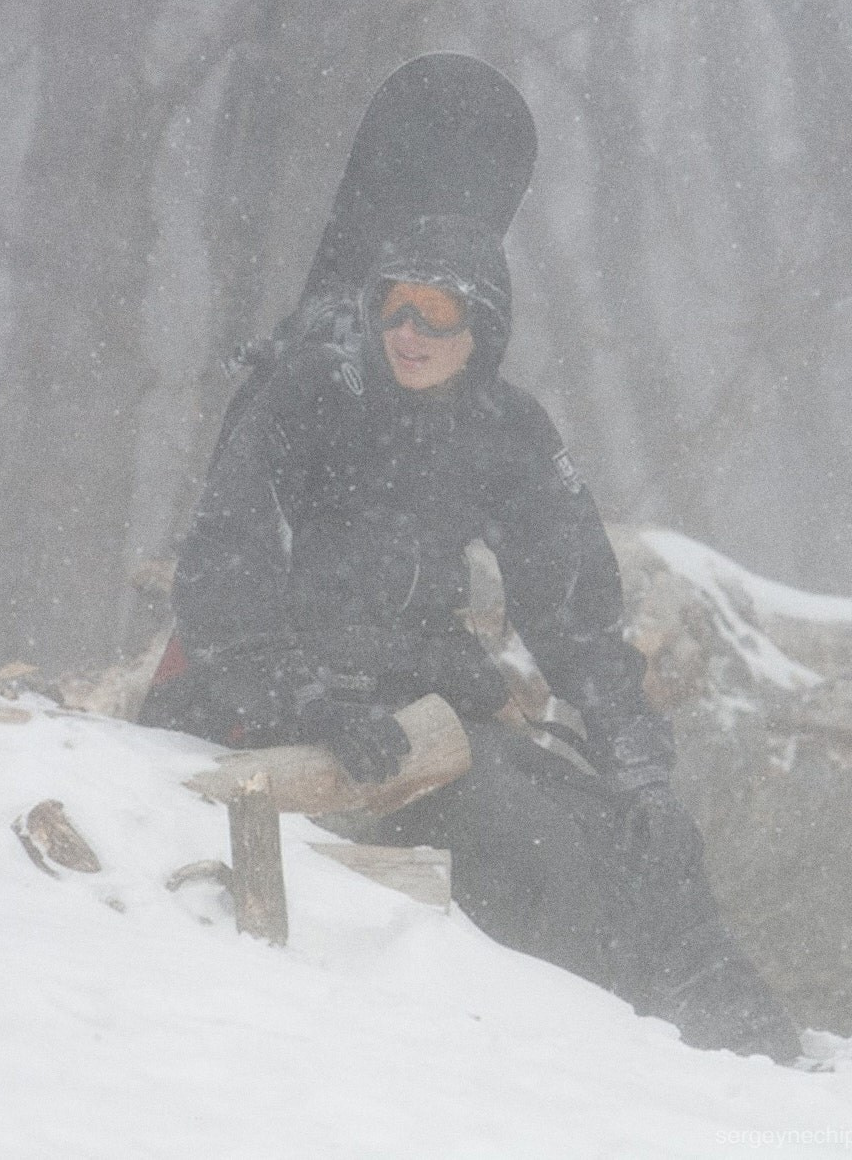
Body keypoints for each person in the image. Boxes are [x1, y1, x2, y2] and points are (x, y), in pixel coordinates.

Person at [141, 211, 800, 1061]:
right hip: (263, 701)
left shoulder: (505, 430)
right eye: (394, 305)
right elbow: (225, 572)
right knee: (535, 848)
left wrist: (638, 765)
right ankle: (600, 1058)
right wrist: (297, 697)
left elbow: (574, 611)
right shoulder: (310, 395)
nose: (406, 332)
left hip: (413, 701)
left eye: (435, 312)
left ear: (480, 327)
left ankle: (741, 1045)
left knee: (625, 828)